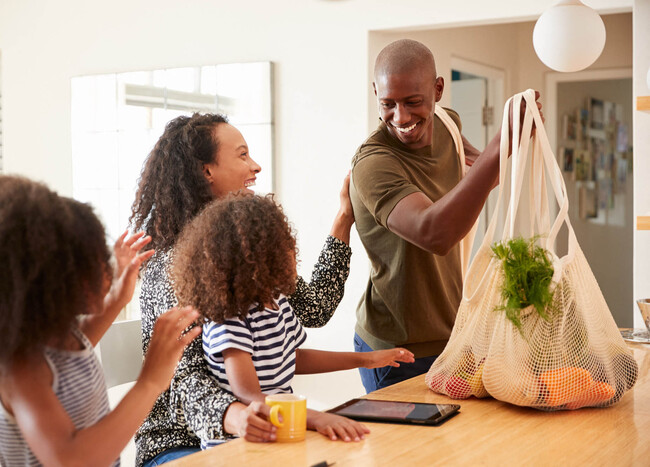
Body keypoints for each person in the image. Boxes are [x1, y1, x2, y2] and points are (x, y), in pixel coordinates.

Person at [130, 113, 356, 465]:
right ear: (207, 171)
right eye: (242, 155)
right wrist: (235, 415)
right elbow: (183, 378)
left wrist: (344, 219)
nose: (256, 166)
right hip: (177, 446)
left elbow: (314, 309)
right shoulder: (171, 264)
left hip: (248, 433)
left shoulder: (245, 248)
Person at [349, 39, 543, 393]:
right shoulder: (373, 163)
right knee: (407, 449)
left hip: (453, 333)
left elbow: (486, 174)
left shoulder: (448, 125)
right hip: (396, 349)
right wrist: (501, 143)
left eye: (413, 102)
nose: (401, 117)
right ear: (375, 92)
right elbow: (434, 233)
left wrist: (515, 140)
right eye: (387, 104)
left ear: (438, 89)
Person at [171, 193, 414, 447]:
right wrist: (317, 417)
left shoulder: (278, 301)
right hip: (241, 446)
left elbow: (294, 357)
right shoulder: (229, 318)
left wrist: (366, 360)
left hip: (281, 430)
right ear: (255, 259)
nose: (292, 249)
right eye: (283, 244)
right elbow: (250, 397)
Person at [0, 175, 200, 466]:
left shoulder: (65, 337)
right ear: (43, 283)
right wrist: (150, 381)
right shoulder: (21, 369)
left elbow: (82, 341)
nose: (106, 272)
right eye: (90, 265)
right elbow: (69, 459)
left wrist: (118, 297)